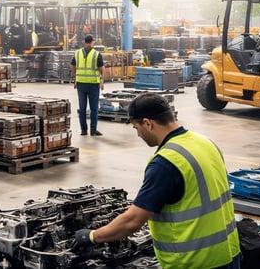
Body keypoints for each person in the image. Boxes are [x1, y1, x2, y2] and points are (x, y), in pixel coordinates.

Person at [73, 93, 241, 268]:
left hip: (196, 262)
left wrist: (92, 236)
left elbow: (132, 222)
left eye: (136, 127)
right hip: (229, 253)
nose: (138, 134)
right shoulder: (205, 142)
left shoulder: (166, 162)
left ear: (147, 123)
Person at [71, 35, 104, 136]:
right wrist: (102, 81)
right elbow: (101, 68)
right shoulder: (96, 54)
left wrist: (75, 77)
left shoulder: (77, 53)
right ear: (93, 42)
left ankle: (83, 130)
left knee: (82, 108)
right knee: (94, 108)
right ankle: (93, 130)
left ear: (84, 42)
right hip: (93, 84)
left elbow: (72, 66)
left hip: (81, 84)